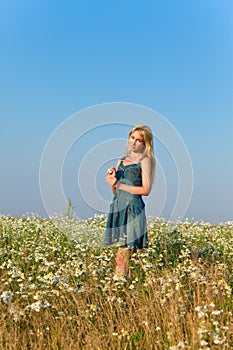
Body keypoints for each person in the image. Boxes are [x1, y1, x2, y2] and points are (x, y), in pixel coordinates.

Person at [104, 124, 156, 279]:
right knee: (122, 257)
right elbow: (116, 191)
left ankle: (116, 290)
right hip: (118, 208)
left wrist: (119, 184)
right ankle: (129, 293)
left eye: (139, 140)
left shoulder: (145, 160)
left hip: (133, 210)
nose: (134, 142)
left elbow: (146, 190)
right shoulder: (120, 161)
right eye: (132, 138)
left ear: (145, 144)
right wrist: (113, 182)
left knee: (123, 256)